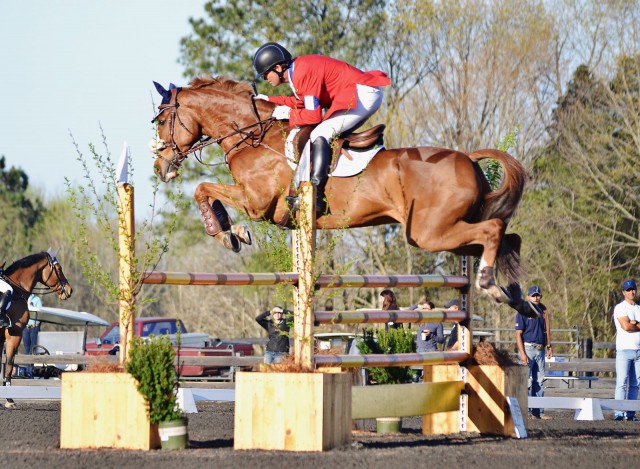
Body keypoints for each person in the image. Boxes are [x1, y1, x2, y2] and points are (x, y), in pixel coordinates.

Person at [252, 42, 391, 213]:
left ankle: (315, 195)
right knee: (324, 131)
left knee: (320, 133)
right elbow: (299, 102)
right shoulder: (297, 71)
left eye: (266, 74)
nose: (266, 79)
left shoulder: (302, 72)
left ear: (279, 68)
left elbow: (313, 116)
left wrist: (290, 115)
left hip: (362, 95)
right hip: (355, 94)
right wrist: (268, 100)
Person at [515, 286, 552, 420]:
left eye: (538, 295)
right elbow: (518, 334)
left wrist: (549, 345)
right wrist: (523, 353)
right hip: (528, 348)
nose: (536, 298)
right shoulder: (522, 312)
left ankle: (539, 412)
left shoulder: (543, 310)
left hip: (540, 349)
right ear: (528, 297)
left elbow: (547, 329)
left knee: (540, 381)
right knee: (527, 381)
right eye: (533, 295)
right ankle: (527, 411)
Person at [612, 279, 640, 421]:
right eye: (628, 290)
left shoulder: (638, 308)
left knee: (635, 384)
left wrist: (634, 323)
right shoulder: (620, 308)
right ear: (623, 292)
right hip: (624, 350)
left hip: (638, 352)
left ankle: (631, 413)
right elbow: (627, 327)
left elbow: (632, 325)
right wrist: (633, 324)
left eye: (633, 289)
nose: (631, 292)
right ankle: (618, 412)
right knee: (622, 382)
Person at [22, 294, 42, 378]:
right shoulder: (23, 298)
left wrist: (36, 324)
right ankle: (26, 371)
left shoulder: (37, 299)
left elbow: (40, 313)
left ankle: (31, 371)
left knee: (32, 349)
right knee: (26, 349)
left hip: (34, 327)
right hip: (25, 328)